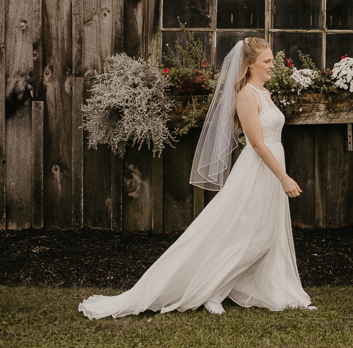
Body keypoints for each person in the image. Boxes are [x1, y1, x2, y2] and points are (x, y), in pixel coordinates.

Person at [79, 38, 313, 319]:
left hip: (271, 167)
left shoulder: (265, 94)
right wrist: (283, 178)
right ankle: (211, 291)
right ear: (250, 64)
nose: (272, 65)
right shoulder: (247, 95)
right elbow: (257, 143)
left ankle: (278, 290)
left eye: (271, 60)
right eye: (267, 61)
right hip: (258, 170)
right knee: (254, 235)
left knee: (268, 233)